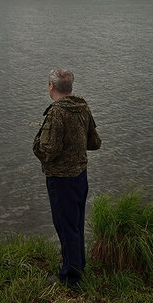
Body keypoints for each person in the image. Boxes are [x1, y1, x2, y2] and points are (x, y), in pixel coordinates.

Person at [33, 69, 102, 288]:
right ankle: (77, 266)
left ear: (51, 86)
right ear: (70, 87)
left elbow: (49, 149)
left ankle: (71, 279)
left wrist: (36, 146)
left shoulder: (56, 113)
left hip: (61, 179)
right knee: (76, 225)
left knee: (65, 226)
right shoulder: (83, 107)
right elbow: (94, 143)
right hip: (80, 176)